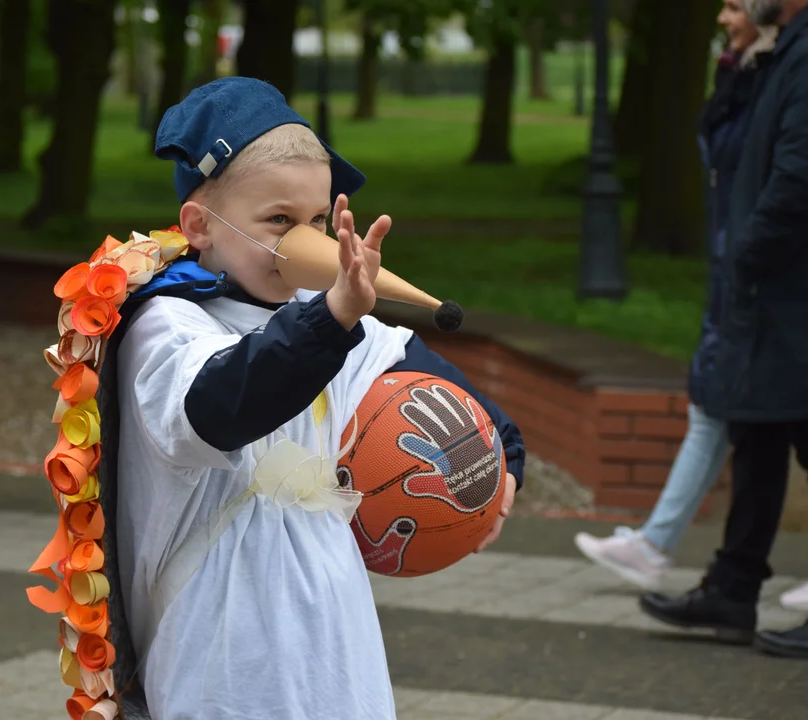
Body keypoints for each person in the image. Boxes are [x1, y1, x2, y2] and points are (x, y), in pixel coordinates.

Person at [90, 78, 526, 719]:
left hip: (332, 656)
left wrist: (503, 462)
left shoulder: (326, 316)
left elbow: (449, 396)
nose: (308, 242)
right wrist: (333, 319)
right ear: (199, 226)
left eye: (318, 221)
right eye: (279, 221)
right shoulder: (165, 328)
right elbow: (219, 406)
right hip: (221, 667)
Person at [573, 0, 775, 591]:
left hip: (758, 274)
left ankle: (666, 549)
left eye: (735, 5)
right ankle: (667, 549)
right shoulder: (747, 71)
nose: (719, 16)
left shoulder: (777, 76)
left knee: (756, 418)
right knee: (719, 409)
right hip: (739, 268)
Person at [639, 0, 808, 659]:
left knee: (787, 430)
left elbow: (797, 174)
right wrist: (740, 58)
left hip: (786, 287)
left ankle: (735, 585)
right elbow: (727, 137)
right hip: (768, 288)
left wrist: (748, 254)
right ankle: (734, 588)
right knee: (756, 431)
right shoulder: (782, 49)